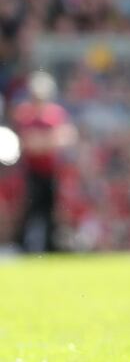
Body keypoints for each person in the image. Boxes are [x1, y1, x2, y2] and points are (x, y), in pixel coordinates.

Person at [13, 71, 77, 253]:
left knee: (52, 211)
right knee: (29, 211)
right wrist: (50, 140)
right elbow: (29, 142)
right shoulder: (25, 114)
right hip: (32, 172)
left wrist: (45, 141)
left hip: (52, 171)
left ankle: (50, 248)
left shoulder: (55, 113)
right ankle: (22, 247)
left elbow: (66, 137)